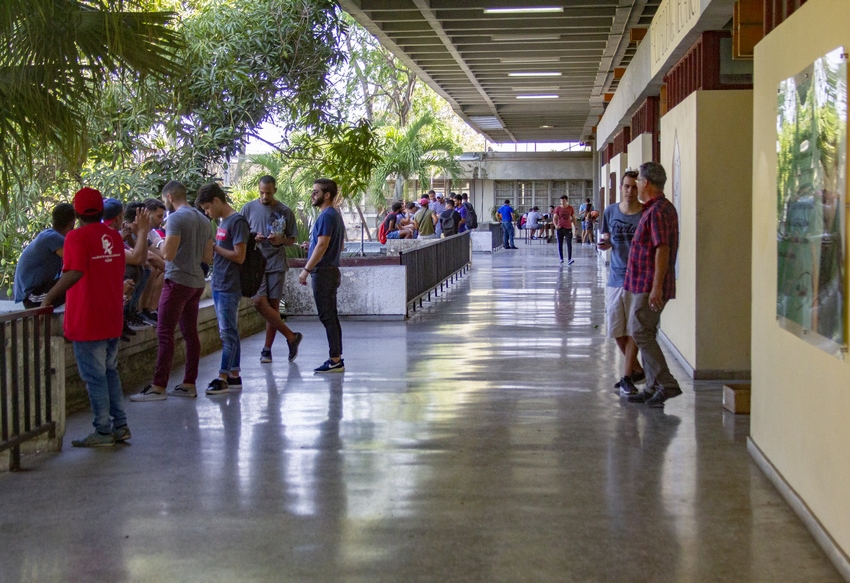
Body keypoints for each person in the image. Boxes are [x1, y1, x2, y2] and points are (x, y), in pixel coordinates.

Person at [42, 188, 146, 446]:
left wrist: (48, 298)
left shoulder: (76, 238)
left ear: (77, 214)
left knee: (95, 377)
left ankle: (103, 430)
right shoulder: (112, 236)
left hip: (87, 320)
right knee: (110, 372)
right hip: (111, 317)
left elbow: (74, 272)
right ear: (101, 211)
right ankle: (120, 425)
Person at [131, 180, 214, 401]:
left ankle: (158, 386)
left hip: (177, 280)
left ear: (169, 197)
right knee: (190, 334)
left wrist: (153, 241)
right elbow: (208, 257)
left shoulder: (176, 218)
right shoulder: (204, 220)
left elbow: (167, 254)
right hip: (196, 282)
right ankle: (189, 383)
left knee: (165, 332)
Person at [623, 162, 681, 408]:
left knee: (640, 331)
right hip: (644, 283)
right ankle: (652, 386)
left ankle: (666, 383)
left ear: (646, 182)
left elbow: (662, 249)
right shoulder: (657, 208)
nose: (635, 185)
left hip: (648, 285)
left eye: (638, 181)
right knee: (645, 331)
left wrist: (656, 287)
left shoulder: (658, 211)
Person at [240, 175, 303, 364]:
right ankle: (291, 336)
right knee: (259, 302)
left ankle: (267, 349)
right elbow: (240, 233)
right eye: (261, 192)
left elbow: (292, 239)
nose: (264, 196)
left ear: (274, 190)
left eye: (268, 192)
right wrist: (253, 238)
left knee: (273, 308)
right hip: (255, 264)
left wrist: (281, 240)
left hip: (276, 263)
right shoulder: (248, 208)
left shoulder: (285, 211)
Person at [195, 183, 248, 395]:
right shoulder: (222, 222)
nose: (207, 212)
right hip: (219, 282)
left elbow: (240, 255)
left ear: (217, 201)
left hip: (229, 284)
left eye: (207, 207)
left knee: (227, 333)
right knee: (230, 332)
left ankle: (223, 375)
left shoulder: (236, 222)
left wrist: (215, 248)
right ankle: (234, 374)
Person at [598, 171, 646, 396]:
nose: (629, 191)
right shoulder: (610, 212)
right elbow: (606, 237)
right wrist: (604, 245)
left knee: (634, 328)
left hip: (638, 277)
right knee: (616, 327)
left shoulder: (645, 213)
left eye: (634, 187)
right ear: (621, 188)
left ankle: (627, 376)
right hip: (616, 277)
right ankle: (636, 369)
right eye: (626, 186)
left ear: (640, 188)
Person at [298, 179, 345, 374]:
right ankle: (336, 357)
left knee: (327, 317)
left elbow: (323, 245)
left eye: (316, 192)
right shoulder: (334, 215)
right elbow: (336, 245)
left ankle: (335, 359)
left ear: (327, 195)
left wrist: (306, 269)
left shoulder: (326, 216)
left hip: (323, 273)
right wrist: (312, 248)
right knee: (330, 316)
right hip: (329, 271)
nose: (312, 195)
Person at [14, 203, 76, 309]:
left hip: (35, 292)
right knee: (77, 279)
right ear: (71, 224)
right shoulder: (54, 238)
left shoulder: (49, 235)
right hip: (32, 297)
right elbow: (76, 262)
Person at [552, 195, 575, 264]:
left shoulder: (570, 208)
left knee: (569, 243)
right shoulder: (557, 209)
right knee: (560, 243)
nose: (562, 202)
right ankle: (561, 258)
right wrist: (556, 225)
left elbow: (573, 218)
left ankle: (569, 259)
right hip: (560, 228)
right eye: (561, 201)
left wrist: (575, 227)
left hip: (568, 228)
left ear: (566, 201)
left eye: (564, 201)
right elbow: (554, 218)